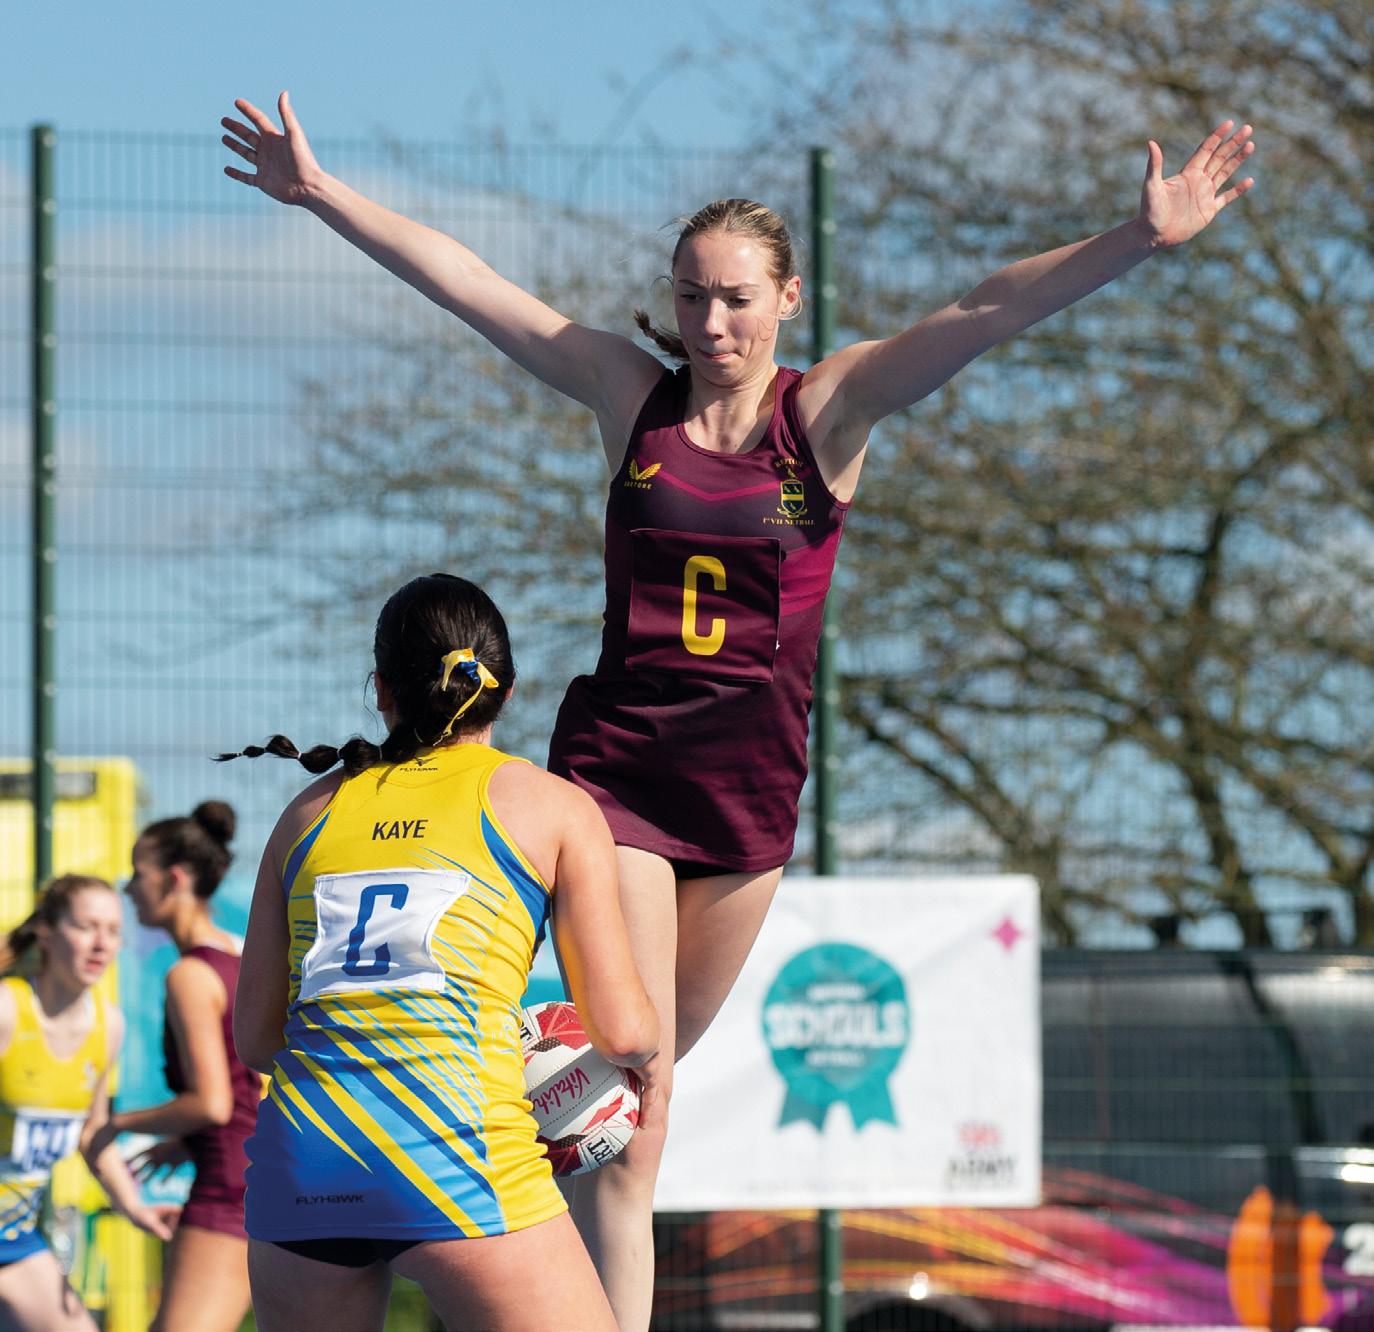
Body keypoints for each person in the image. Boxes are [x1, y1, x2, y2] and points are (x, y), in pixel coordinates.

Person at [221, 92, 1257, 1328]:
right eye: (691, 297)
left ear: (786, 300)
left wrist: (1136, 239)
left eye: (736, 300)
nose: (710, 324)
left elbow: (981, 312)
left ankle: (516, 1124)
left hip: (752, 799)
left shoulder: (827, 415)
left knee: (626, 1099)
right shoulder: (632, 401)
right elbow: (477, 287)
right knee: (640, 1110)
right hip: (621, 781)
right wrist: (322, 195)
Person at [218, 572, 659, 1331]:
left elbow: (258, 1042)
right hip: (459, 1155)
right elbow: (621, 1030)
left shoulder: (305, 814)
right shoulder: (550, 805)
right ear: (506, 692)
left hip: (303, 1171)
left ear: (383, 690)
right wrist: (641, 1060)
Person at [89, 803, 260, 1332]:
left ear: (175, 879)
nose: (129, 888)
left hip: (228, 1192)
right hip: (253, 1177)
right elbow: (251, 1085)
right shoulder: (238, 958)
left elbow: (212, 1103)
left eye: (137, 874)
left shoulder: (190, 975)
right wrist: (185, 1142)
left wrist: (113, 1124)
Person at [0, 874, 176, 1332]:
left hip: (11, 1239)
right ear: (46, 931)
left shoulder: (107, 1026)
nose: (101, 944)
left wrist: (135, 1207)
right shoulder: (7, 1011)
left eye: (113, 931)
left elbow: (91, 1132)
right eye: (86, 927)